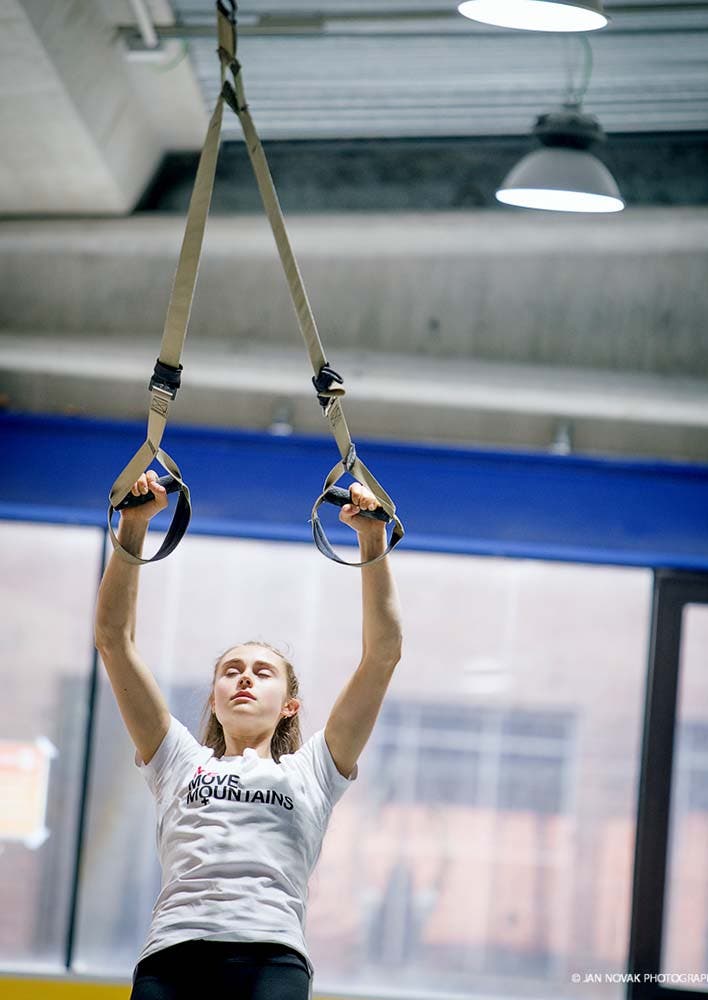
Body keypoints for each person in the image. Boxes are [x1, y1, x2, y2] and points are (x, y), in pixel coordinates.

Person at [94, 469, 403, 1000]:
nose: (243, 677)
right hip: (172, 957)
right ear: (214, 696)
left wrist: (373, 542)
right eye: (231, 670)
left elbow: (383, 655)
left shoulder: (314, 770)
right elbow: (113, 641)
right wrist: (132, 526)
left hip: (272, 958)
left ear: (289, 706)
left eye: (262, 672)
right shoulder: (176, 760)